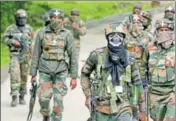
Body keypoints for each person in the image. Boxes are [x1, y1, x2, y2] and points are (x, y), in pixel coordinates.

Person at [81, 23, 146, 121]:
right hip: (101, 106)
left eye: (119, 35)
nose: (116, 38)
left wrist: (142, 108)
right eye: (112, 35)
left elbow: (137, 82)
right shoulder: (96, 55)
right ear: (107, 37)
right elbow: (84, 74)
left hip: (124, 105)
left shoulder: (129, 57)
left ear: (123, 37)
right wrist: (88, 96)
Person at [30, 9, 78, 121]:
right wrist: (33, 74)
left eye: (58, 18)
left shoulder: (67, 34)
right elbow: (36, 53)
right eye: (53, 17)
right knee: (43, 99)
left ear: (62, 20)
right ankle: (46, 116)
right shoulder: (41, 33)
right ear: (50, 18)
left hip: (60, 71)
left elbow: (73, 56)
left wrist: (74, 77)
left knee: (58, 101)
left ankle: (56, 118)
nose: (55, 20)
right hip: (44, 71)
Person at [2, 9, 34, 107]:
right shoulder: (11, 28)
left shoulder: (29, 29)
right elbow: (4, 39)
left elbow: (32, 41)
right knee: (14, 76)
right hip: (15, 55)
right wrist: (12, 42)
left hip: (26, 56)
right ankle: (14, 97)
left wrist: (31, 52)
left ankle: (22, 96)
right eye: (20, 18)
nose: (22, 20)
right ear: (16, 18)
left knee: (24, 76)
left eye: (24, 18)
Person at [147, 18, 175, 121]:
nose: (164, 32)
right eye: (161, 30)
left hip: (171, 93)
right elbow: (143, 70)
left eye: (166, 30)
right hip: (154, 94)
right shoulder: (149, 49)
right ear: (156, 32)